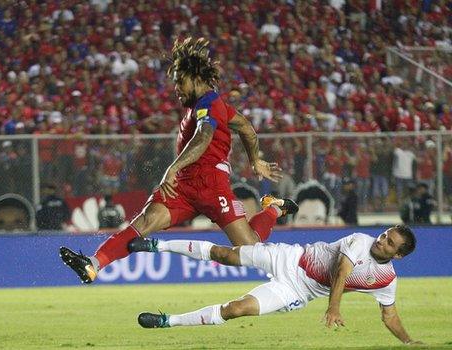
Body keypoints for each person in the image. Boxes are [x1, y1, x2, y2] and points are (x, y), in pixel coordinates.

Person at [60, 37, 297, 284]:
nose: (176, 89)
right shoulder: (208, 107)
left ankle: (274, 208)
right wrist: (254, 160)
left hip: (211, 184)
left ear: (195, 78)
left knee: (250, 249)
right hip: (184, 186)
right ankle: (93, 264)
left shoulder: (210, 103)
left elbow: (204, 136)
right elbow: (246, 128)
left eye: (179, 82)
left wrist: (174, 167)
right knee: (143, 223)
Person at [131, 224, 422, 345]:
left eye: (389, 243)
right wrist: (334, 308)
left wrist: (408, 342)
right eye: (385, 235)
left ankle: (168, 321)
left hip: (297, 291)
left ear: (397, 255)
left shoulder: (386, 280)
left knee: (236, 309)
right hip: (289, 258)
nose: (382, 240)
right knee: (224, 254)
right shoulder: (361, 241)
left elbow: (390, 315)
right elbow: (341, 273)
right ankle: (157, 245)